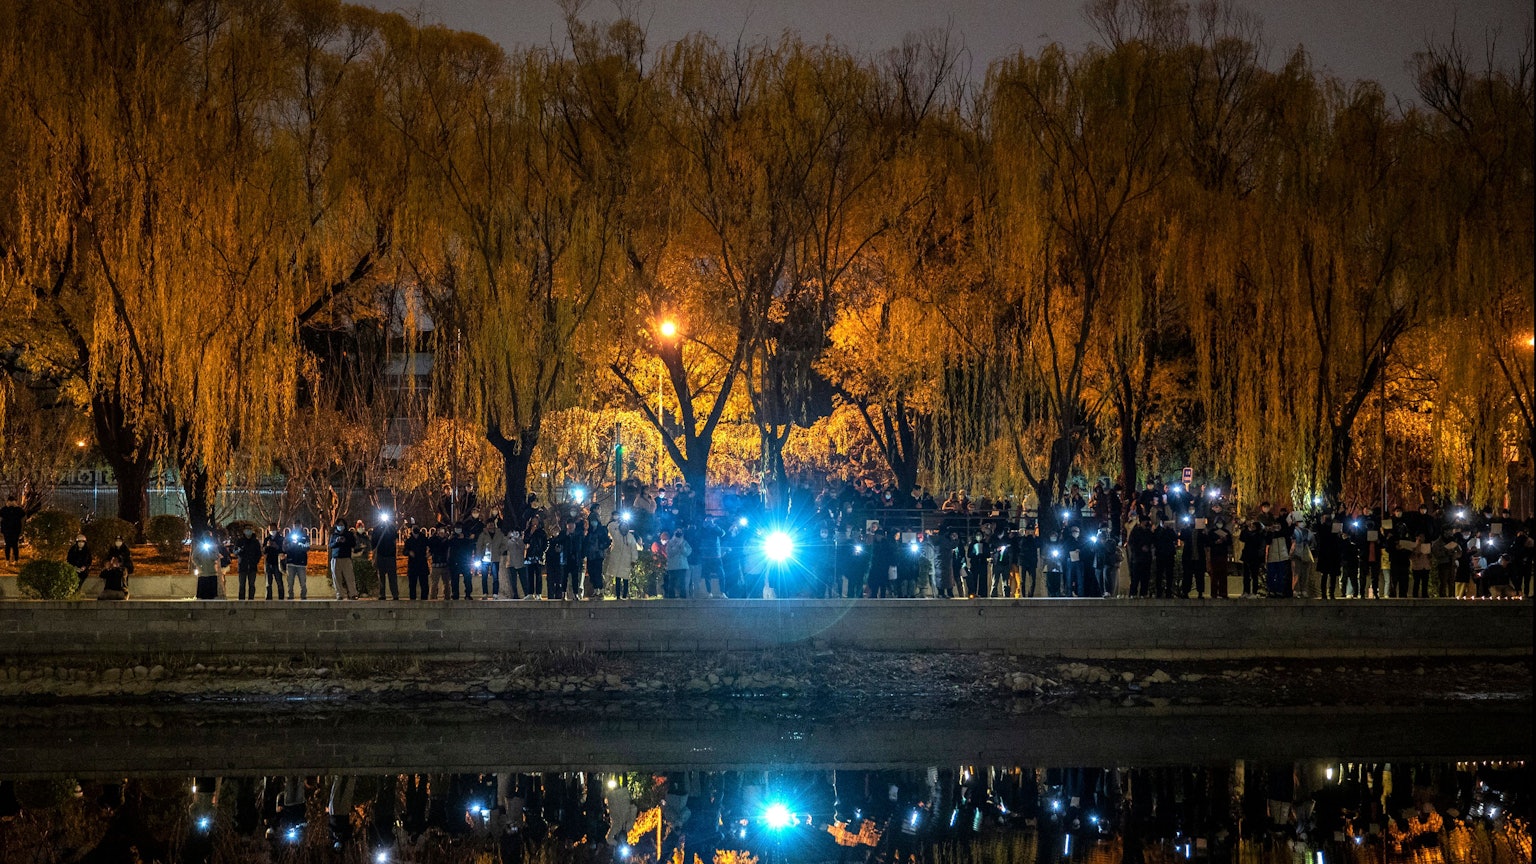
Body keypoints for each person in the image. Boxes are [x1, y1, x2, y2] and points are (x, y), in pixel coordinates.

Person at [605, 517, 637, 599]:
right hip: (617, 560)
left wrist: (634, 560)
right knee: (618, 578)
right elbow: (610, 526)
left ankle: (625, 595)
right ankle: (618, 596)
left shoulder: (630, 537)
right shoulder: (616, 535)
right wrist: (617, 522)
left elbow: (634, 549)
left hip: (626, 561)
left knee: (626, 579)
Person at [583, 514, 611, 600]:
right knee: (591, 572)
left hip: (598, 555)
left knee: (598, 572)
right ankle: (595, 589)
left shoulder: (602, 530)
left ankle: (601, 589)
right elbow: (586, 542)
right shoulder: (589, 531)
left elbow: (607, 541)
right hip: (590, 555)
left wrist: (601, 547)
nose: (593, 522)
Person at [328, 522, 358, 600]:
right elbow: (331, 545)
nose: (340, 526)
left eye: (342, 525)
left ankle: (353, 594)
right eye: (339, 525)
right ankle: (339, 594)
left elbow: (353, 544)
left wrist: (345, 541)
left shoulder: (349, 534)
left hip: (346, 558)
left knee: (350, 577)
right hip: (336, 558)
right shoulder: (334, 535)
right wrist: (336, 541)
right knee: (337, 578)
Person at [373, 515, 399, 601]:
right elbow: (374, 542)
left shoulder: (391, 528)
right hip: (381, 555)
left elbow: (395, 536)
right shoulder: (377, 529)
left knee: (392, 577)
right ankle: (382, 594)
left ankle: (395, 594)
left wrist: (389, 526)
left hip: (390, 555)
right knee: (381, 576)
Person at [662, 528, 691, 599]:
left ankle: (683, 597)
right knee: (672, 583)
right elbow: (669, 553)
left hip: (682, 566)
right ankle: (671, 597)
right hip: (672, 566)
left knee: (682, 583)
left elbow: (688, 553)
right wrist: (676, 547)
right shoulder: (670, 543)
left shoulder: (685, 542)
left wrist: (682, 547)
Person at [403, 523, 431, 600]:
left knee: (424, 584)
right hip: (413, 565)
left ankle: (424, 599)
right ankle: (412, 600)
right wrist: (409, 552)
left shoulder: (424, 539)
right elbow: (404, 552)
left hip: (422, 564)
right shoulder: (409, 541)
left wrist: (429, 553)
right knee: (412, 585)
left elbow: (431, 547)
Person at [282, 524, 309, 600]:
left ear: (301, 526)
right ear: (293, 526)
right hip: (291, 562)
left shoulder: (305, 537)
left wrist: (299, 545)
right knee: (290, 581)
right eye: (295, 526)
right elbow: (284, 548)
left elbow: (307, 547)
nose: (297, 527)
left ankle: (303, 595)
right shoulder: (288, 536)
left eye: (298, 526)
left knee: (303, 581)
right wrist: (291, 545)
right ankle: (290, 595)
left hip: (301, 563)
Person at [193, 531, 222, 599]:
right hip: (203, 572)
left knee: (212, 594)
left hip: (212, 571)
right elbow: (194, 557)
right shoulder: (199, 546)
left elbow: (217, 556)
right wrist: (199, 564)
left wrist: (211, 556)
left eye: (209, 536)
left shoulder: (213, 546)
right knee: (202, 594)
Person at [235, 527, 261, 600]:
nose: (248, 531)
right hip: (242, 565)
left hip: (252, 566)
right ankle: (241, 600)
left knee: (252, 584)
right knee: (242, 585)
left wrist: (255, 561)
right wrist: (239, 550)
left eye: (250, 530)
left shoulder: (255, 542)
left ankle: (251, 599)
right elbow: (235, 551)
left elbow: (259, 553)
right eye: (246, 529)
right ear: (244, 531)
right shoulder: (240, 541)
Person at [262, 523, 285, 599]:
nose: (272, 531)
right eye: (270, 529)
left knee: (279, 582)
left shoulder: (281, 539)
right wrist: (267, 546)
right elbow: (263, 551)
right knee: (268, 583)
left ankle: (281, 598)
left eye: (273, 529)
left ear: (276, 529)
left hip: (277, 563)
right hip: (268, 562)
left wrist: (277, 547)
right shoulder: (267, 539)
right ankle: (268, 598)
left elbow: (284, 550)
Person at [0, 495, 25, 562]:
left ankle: (8, 560)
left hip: (7, 530)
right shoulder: (18, 510)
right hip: (15, 530)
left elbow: (1, 516)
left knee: (8, 545)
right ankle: (15, 559)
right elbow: (23, 515)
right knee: (15, 545)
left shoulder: (4, 509)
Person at [1409, 534, 1432, 599]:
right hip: (1417, 567)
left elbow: (1430, 557)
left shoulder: (1426, 545)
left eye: (1423, 537)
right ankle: (1415, 595)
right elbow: (1411, 556)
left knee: (1425, 582)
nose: (1422, 538)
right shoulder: (1413, 546)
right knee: (1416, 582)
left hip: (1425, 566)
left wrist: (1429, 555)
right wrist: (1417, 554)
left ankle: (1425, 594)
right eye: (1420, 537)